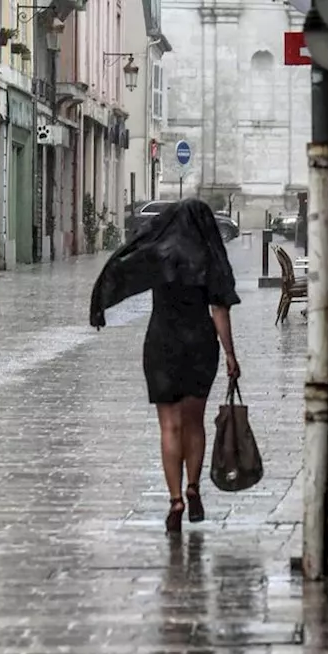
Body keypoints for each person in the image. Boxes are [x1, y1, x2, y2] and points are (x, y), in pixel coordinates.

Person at [90, 198, 242, 534]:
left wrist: (101, 302)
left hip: (162, 344)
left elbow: (124, 267)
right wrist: (230, 354)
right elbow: (220, 310)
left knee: (169, 427)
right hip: (200, 344)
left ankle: (175, 500)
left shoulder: (159, 252)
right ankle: (193, 487)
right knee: (195, 424)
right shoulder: (208, 257)